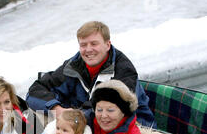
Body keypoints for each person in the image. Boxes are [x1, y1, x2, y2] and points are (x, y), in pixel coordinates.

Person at [26, 21, 156, 128]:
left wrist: (74, 117)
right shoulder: (74, 65)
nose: (88, 50)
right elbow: (35, 91)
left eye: (94, 44)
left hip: (130, 128)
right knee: (30, 116)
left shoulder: (124, 70)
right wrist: (56, 108)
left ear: (107, 45)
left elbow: (109, 110)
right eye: (83, 45)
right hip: (82, 122)